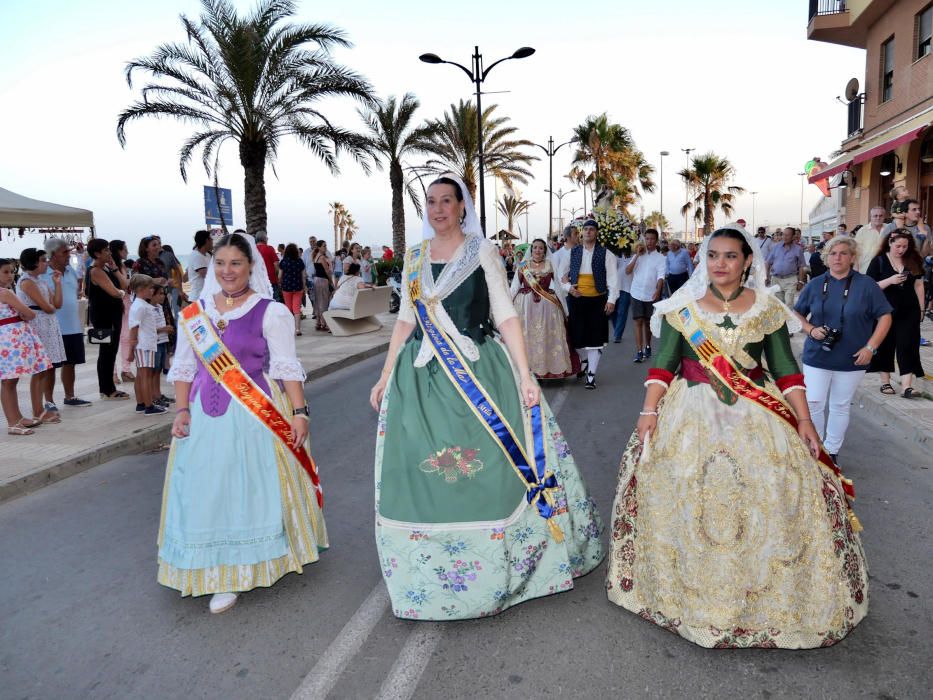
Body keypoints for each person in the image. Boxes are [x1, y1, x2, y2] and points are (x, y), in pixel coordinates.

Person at [606, 225, 868, 648]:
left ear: (747, 261)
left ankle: (765, 601)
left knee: (773, 492)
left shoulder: (766, 308)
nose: (721, 264)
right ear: (703, 260)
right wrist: (649, 410)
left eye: (730, 256)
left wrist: (803, 421)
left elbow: (785, 368)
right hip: (690, 413)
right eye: (713, 256)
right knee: (688, 495)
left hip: (757, 413)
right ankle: (688, 598)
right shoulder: (681, 308)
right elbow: (664, 365)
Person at [368, 175, 604, 621]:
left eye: (446, 201)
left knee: (493, 473)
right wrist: (384, 376)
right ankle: (429, 575)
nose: (438, 209)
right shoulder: (414, 258)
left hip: (480, 373)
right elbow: (404, 321)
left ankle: (500, 570)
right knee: (422, 475)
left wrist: (524, 374)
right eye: (431, 202)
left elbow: (506, 315)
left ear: (462, 207)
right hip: (420, 380)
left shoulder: (483, 252)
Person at [158, 232, 326, 614]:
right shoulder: (195, 313)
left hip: (253, 415)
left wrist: (299, 413)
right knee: (205, 488)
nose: (227, 271)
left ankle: (236, 573)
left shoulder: (270, 311)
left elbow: (286, 367)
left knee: (245, 487)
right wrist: (181, 410)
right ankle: (208, 566)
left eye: (235, 263)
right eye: (220, 263)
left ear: (252, 266)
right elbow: (184, 366)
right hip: (204, 416)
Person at [794, 237, 892, 462]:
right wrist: (810, 329)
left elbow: (885, 316)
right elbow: (796, 312)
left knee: (839, 405)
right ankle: (815, 448)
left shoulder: (866, 285)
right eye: (833, 253)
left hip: (853, 358)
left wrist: (871, 347)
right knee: (814, 402)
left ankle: (832, 451)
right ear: (826, 258)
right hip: (817, 355)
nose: (837, 257)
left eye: (843, 253)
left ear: (852, 257)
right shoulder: (816, 284)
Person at [866, 230, 926, 398]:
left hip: (909, 310)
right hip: (884, 311)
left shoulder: (913, 260)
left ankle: (907, 386)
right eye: (898, 246)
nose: (901, 250)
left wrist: (921, 309)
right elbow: (869, 287)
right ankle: (885, 382)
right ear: (890, 243)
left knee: (908, 345)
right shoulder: (878, 261)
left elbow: (919, 285)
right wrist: (889, 281)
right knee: (885, 345)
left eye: (905, 246)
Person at [562, 219, 618, 389]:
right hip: (577, 299)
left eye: (591, 229)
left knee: (595, 339)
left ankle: (591, 376)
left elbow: (613, 279)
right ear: (582, 232)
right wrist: (569, 288)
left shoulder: (606, 254)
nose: (588, 232)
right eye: (585, 229)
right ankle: (584, 360)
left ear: (596, 233)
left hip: (597, 300)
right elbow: (561, 275)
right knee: (576, 338)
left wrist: (611, 300)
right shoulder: (572, 252)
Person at [510, 238, 575, 378]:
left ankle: (546, 369)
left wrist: (565, 308)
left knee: (546, 336)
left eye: (540, 248)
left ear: (545, 251)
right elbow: (515, 286)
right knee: (526, 337)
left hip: (547, 307)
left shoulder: (550, 265)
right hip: (525, 307)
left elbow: (557, 286)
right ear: (531, 250)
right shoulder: (523, 265)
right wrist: (508, 307)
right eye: (535, 248)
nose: (537, 250)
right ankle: (526, 370)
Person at [1, 258, 50, 436]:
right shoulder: (6, 293)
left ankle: (17, 417)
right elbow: (29, 313)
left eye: (11, 271)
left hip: (7, 339)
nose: (10, 275)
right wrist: (24, 314)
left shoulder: (7, 292)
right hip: (10, 340)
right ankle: (13, 422)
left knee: (10, 381)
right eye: (5, 272)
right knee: (8, 382)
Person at [17, 248, 65, 424]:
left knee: (47, 367)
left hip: (48, 325)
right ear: (34, 262)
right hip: (38, 325)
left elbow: (57, 303)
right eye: (43, 260)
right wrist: (50, 307)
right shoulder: (27, 281)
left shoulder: (41, 281)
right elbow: (46, 306)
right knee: (39, 369)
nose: (47, 263)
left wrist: (57, 283)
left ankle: (45, 404)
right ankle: (37, 410)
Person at [43, 238, 92, 408]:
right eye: (64, 252)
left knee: (70, 363)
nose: (68, 255)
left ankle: (69, 396)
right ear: (53, 254)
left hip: (73, 325)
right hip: (52, 327)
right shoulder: (43, 273)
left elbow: (79, 284)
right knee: (51, 365)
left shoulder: (70, 270)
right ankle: (49, 401)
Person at [86, 238, 130, 401]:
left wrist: (114, 270)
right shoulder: (96, 271)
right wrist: (121, 293)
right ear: (97, 253)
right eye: (105, 250)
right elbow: (114, 291)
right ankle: (107, 388)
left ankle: (107, 387)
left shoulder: (104, 269)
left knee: (108, 351)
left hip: (108, 315)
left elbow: (121, 285)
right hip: (105, 317)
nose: (109, 253)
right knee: (107, 351)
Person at [128, 275, 166, 416]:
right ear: (141, 289)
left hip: (145, 344)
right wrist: (131, 349)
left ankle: (141, 403)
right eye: (150, 288)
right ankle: (149, 405)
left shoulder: (142, 305)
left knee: (141, 375)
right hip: (144, 345)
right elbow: (134, 328)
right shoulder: (140, 306)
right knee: (145, 375)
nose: (152, 290)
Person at [627, 229, 666, 363]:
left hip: (651, 294)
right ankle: (639, 351)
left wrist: (658, 290)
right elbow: (628, 271)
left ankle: (648, 345)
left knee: (647, 323)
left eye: (652, 239)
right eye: (647, 239)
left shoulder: (661, 258)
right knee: (638, 321)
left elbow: (661, 276)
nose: (649, 242)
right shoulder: (639, 255)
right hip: (636, 292)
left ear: (656, 240)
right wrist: (637, 255)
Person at [110, 240, 135, 384]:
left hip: (125, 302)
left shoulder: (123, 266)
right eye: (125, 249)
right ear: (119, 251)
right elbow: (124, 284)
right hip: (115, 303)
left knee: (125, 337)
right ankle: (113, 373)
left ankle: (126, 369)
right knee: (113, 339)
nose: (127, 251)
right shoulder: (111, 267)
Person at [766, 227, 808, 307]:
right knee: (778, 304)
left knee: (789, 303)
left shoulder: (798, 249)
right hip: (776, 280)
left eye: (787, 235)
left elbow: (801, 266)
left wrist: (801, 281)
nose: (785, 237)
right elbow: (768, 262)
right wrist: (766, 277)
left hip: (790, 280)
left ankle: (787, 319)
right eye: (783, 235)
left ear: (793, 237)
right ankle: (782, 320)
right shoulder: (776, 247)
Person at [150, 285, 174, 406]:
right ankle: (153, 396)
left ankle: (158, 394)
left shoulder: (159, 307)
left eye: (163, 293)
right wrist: (164, 329)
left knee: (158, 370)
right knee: (153, 371)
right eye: (159, 294)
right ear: (152, 295)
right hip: (155, 342)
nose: (163, 296)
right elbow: (148, 328)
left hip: (162, 341)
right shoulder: (148, 309)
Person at [278, 243, 307, 336]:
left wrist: (280, 283)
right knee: (296, 308)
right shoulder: (300, 261)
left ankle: (288, 328)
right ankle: (297, 329)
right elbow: (303, 276)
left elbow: (280, 276)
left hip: (286, 287)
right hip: (298, 287)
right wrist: (304, 286)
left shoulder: (283, 262)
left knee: (288, 308)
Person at [612, 245, 634, 343]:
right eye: (624, 249)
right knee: (612, 312)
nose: (626, 251)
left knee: (622, 312)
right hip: (614, 289)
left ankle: (617, 335)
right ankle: (617, 330)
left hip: (627, 289)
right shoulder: (617, 259)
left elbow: (628, 271)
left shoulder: (634, 259)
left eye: (628, 249)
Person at [311, 241, 334, 332]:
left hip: (317, 280)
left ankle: (318, 322)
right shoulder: (322, 257)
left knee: (318, 301)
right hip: (323, 280)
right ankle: (324, 323)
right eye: (324, 246)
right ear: (319, 247)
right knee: (324, 302)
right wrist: (331, 281)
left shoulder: (315, 256)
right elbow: (327, 271)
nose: (326, 247)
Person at [855, 206, 886, 273]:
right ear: (871, 217)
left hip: (884, 268)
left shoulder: (889, 228)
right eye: (875, 216)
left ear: (884, 217)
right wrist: (856, 268)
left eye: (881, 216)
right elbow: (855, 250)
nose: (878, 218)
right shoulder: (862, 231)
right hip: (866, 268)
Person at [254, 230, 282, 302]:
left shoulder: (252, 250)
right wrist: (278, 278)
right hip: (271, 280)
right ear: (264, 239)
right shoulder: (269, 249)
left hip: (257, 281)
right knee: (274, 300)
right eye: (267, 238)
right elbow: (276, 265)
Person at [187, 230, 213, 302]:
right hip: (197, 298)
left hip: (206, 297)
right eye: (211, 239)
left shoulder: (207, 255)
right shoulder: (196, 256)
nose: (212, 241)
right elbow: (206, 275)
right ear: (206, 240)